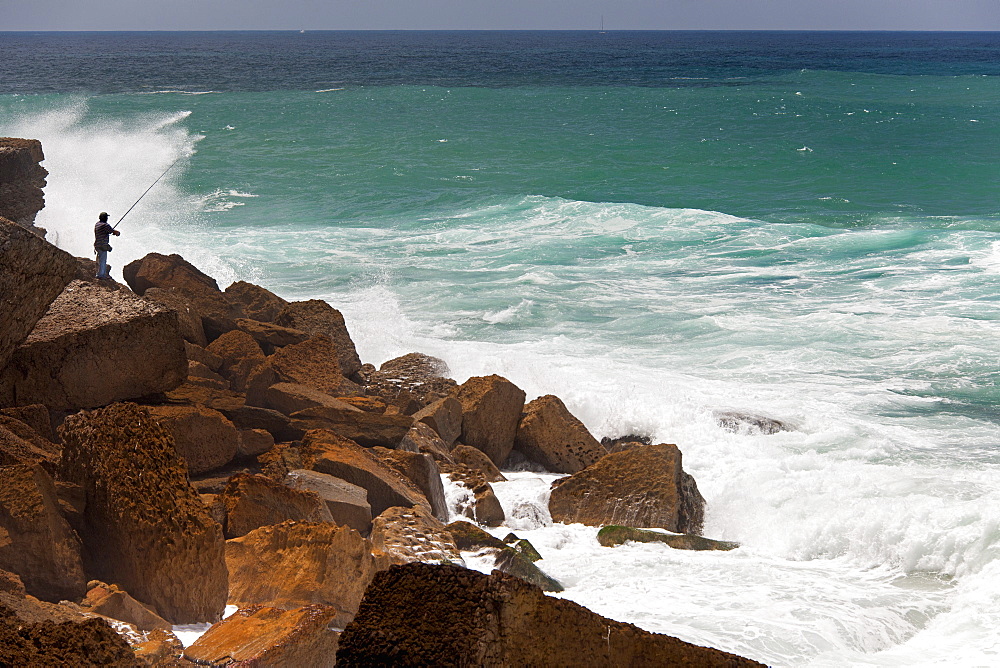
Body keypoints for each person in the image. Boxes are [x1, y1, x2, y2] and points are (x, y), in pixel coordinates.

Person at [93, 212, 120, 279]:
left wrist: (110, 232)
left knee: (99, 260)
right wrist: (117, 233)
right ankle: (101, 275)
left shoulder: (97, 224)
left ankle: (99, 274)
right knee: (103, 260)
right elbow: (114, 232)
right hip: (102, 245)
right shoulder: (105, 225)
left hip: (97, 245)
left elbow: (108, 231)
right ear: (105, 218)